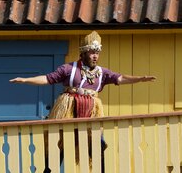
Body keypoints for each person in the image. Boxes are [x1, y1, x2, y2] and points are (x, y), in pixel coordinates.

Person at [9, 31, 156, 119]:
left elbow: (121, 78)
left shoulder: (102, 73)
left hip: (91, 109)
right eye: (92, 53)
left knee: (97, 143)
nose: (95, 56)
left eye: (97, 53)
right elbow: (47, 79)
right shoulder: (68, 69)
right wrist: (25, 80)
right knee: (61, 142)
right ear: (84, 53)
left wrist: (140, 79)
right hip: (69, 110)